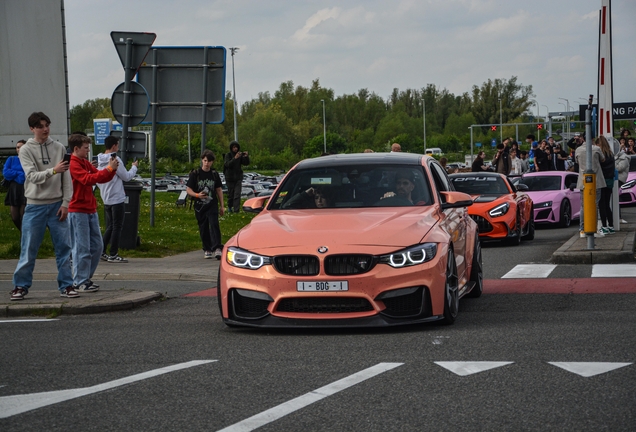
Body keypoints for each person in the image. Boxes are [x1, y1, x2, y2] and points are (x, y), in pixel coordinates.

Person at [11, 112, 75, 300]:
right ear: (32, 129)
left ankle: (67, 285)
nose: (45, 129)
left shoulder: (58, 147)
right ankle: (20, 286)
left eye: (47, 125)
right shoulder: (26, 150)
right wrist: (53, 170)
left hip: (56, 204)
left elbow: (66, 179)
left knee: (64, 248)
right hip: (35, 205)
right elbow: (32, 177)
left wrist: (65, 203)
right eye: (40, 126)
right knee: (29, 248)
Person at [68, 133, 118, 292]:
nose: (88, 150)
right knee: (81, 247)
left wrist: (111, 170)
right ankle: (79, 280)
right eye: (85, 148)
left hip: (89, 208)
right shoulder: (74, 164)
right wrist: (109, 169)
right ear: (76, 149)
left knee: (97, 246)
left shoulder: (83, 162)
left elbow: (98, 177)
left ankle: (84, 278)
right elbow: (87, 179)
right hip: (77, 210)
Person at [96, 135, 139, 263]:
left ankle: (101, 251)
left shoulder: (98, 160)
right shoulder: (115, 159)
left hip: (106, 198)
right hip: (117, 198)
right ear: (114, 146)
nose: (118, 147)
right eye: (118, 145)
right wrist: (134, 167)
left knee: (110, 226)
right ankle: (113, 254)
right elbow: (126, 177)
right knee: (117, 226)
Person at [187, 150, 225, 259]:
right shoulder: (196, 174)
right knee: (203, 227)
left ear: (212, 162)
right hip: (200, 205)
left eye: (209, 161)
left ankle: (217, 247)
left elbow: (218, 190)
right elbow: (188, 189)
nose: (206, 163)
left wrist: (222, 206)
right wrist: (197, 195)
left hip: (212, 204)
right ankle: (207, 248)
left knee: (214, 224)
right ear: (202, 160)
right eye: (205, 160)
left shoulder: (214, 174)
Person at [574, 136, 605, 238]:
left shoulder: (578, 150)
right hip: (596, 181)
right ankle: (594, 229)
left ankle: (582, 230)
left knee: (583, 206)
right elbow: (603, 159)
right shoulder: (596, 149)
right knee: (595, 205)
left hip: (583, 181)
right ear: (592, 139)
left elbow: (577, 162)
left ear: (583, 138)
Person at [3, 139, 27, 231]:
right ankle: (23, 232)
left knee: (23, 215)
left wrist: (15, 174)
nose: (19, 149)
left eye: (21, 147)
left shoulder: (29, 160)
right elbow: (6, 172)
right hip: (14, 189)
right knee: (15, 217)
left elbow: (26, 176)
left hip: (25, 188)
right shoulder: (11, 159)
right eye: (17, 147)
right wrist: (19, 174)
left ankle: (25, 236)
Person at [596, 136, 615, 235]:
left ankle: (604, 226)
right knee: (607, 204)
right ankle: (611, 226)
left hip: (602, 181)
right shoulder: (611, 154)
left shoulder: (600, 156)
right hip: (610, 181)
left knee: (601, 204)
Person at [223, 140, 249, 213]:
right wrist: (235, 158)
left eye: (236, 147)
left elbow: (246, 163)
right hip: (230, 178)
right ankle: (230, 207)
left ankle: (236, 210)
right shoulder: (228, 155)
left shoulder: (239, 156)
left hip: (238, 178)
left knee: (237, 194)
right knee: (231, 194)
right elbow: (227, 164)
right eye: (234, 147)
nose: (235, 149)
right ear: (231, 148)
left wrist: (246, 157)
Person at [615, 146, 630, 224]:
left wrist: (610, 163)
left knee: (614, 198)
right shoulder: (615, 157)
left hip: (619, 179)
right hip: (615, 179)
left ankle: (618, 217)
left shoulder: (624, 158)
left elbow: (619, 168)